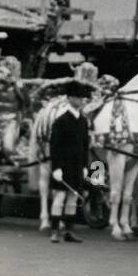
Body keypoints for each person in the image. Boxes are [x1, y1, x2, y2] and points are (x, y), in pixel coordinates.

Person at [48, 81, 91, 244]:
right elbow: (55, 146)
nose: (81, 101)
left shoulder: (83, 121)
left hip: (77, 165)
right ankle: (54, 231)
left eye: (82, 98)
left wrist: (86, 167)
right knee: (59, 197)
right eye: (78, 97)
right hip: (64, 165)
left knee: (73, 198)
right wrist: (56, 168)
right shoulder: (61, 120)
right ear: (70, 98)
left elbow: (85, 146)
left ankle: (69, 231)